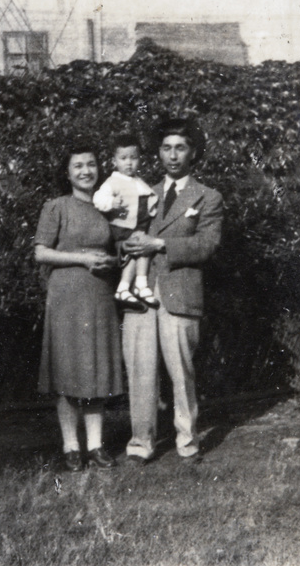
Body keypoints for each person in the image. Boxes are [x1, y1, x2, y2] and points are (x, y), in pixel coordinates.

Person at [121, 118, 223, 463]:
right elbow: (124, 237)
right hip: (142, 291)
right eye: (166, 148)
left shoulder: (208, 197)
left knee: (181, 371)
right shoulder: (142, 193)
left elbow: (206, 245)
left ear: (192, 152)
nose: (173, 155)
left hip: (180, 293)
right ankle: (140, 443)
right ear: (158, 153)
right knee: (140, 368)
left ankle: (187, 442)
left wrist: (159, 243)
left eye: (180, 148)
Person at [34, 140, 123, 472]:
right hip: (66, 297)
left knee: (96, 367)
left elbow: (118, 254)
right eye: (78, 166)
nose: (86, 171)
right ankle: (71, 447)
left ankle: (97, 445)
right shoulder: (56, 207)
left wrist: (109, 263)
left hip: (99, 295)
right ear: (68, 173)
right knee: (67, 372)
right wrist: (82, 258)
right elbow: (41, 252)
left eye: (91, 164)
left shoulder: (107, 207)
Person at [93, 134, 159, 312]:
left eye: (133, 158)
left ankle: (124, 287)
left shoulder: (138, 181)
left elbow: (149, 196)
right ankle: (140, 284)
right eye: (123, 158)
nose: (129, 163)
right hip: (122, 225)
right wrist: (110, 204)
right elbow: (98, 198)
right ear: (114, 161)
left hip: (136, 225)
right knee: (142, 245)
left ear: (140, 160)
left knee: (137, 252)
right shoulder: (113, 181)